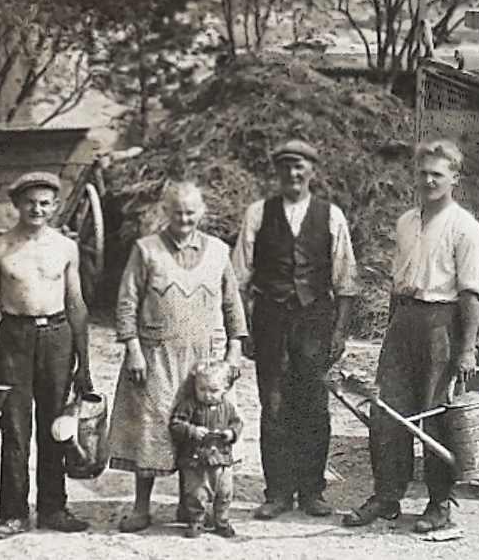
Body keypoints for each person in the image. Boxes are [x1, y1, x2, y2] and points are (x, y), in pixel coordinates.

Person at [342, 141, 479, 535]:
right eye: (423, 173)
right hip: (404, 322)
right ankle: (387, 497)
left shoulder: (465, 228)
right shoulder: (406, 222)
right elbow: (397, 281)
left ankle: (440, 504)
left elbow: (472, 293)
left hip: (443, 323)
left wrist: (466, 349)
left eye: (437, 174)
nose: (428, 181)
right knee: (386, 412)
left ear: (454, 178)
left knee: (434, 415)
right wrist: (392, 329)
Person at [229, 138, 359, 519]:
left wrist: (339, 332)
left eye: (299, 166)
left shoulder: (331, 216)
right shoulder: (258, 214)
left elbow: (346, 279)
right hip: (270, 320)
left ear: (312, 171)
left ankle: (312, 491)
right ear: (277, 172)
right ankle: (278, 493)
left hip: (315, 321)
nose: (293, 173)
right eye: (285, 166)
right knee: (273, 405)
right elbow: (238, 279)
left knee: (313, 405)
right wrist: (243, 329)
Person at [110, 180, 248, 533]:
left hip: (207, 361)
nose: (184, 219)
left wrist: (234, 350)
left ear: (201, 212)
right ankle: (141, 508)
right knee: (151, 429)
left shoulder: (218, 251)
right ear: (165, 212)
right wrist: (133, 350)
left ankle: (192, 505)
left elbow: (232, 304)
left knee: (207, 426)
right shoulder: (146, 250)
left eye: (190, 213)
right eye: (177, 213)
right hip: (158, 357)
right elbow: (126, 303)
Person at [0, 170, 94, 539]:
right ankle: (13, 513)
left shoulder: (66, 248)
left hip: (57, 336)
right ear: (16, 205)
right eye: (29, 202)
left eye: (44, 203)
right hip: (13, 337)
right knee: (14, 426)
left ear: (55, 207)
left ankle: (53, 508)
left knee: (56, 425)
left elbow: (76, 304)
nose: (36, 209)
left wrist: (84, 361)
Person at [169, 359, 245, 539]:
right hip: (196, 459)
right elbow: (176, 424)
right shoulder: (189, 405)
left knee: (224, 492)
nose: (207, 395)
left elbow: (237, 423)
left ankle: (222, 521)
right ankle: (196, 521)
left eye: (213, 390)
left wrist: (230, 433)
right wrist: (192, 430)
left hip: (221, 458)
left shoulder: (227, 407)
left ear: (225, 388)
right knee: (197, 492)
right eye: (202, 389)